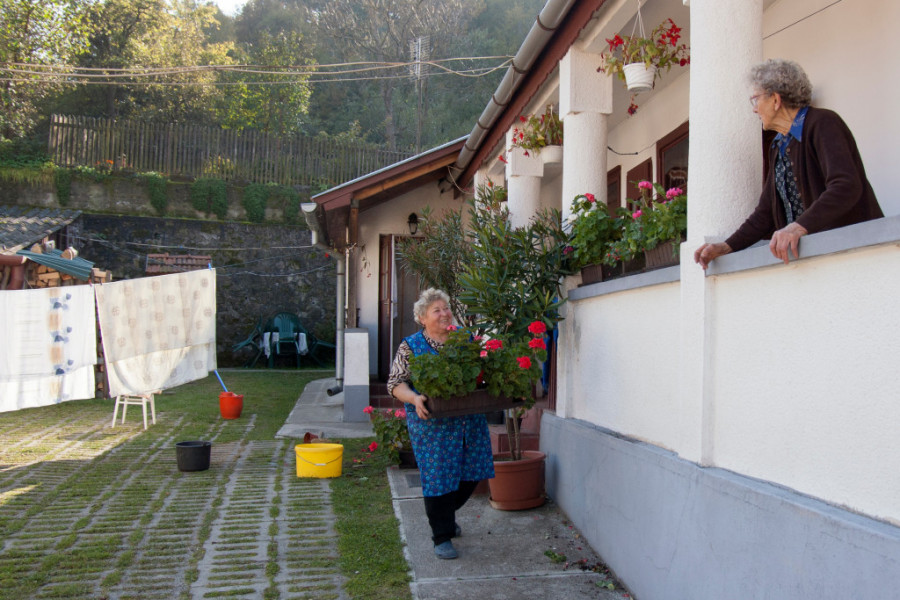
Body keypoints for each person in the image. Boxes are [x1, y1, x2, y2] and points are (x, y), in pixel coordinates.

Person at [694, 59, 883, 269]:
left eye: (755, 100)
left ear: (775, 99)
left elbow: (846, 186)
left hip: (856, 252)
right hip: (818, 260)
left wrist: (798, 227)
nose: (754, 109)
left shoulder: (822, 123)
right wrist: (726, 246)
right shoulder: (779, 145)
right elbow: (765, 213)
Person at [386, 288, 494, 560]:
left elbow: (483, 372)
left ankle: (444, 515)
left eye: (446, 308)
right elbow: (395, 384)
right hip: (431, 422)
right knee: (437, 477)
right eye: (437, 310)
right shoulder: (410, 346)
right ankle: (441, 536)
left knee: (473, 471)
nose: (445, 313)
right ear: (423, 318)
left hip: (469, 419)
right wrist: (414, 398)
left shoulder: (465, 339)